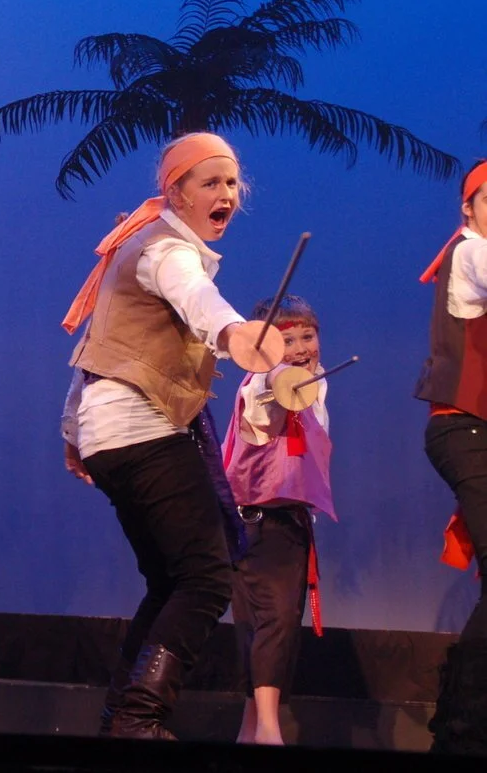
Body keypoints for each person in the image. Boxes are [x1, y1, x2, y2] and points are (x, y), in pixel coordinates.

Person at [60, 131, 280, 739]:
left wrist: (73, 430)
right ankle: (138, 719)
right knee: (206, 578)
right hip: (141, 427)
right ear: (177, 192)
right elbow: (199, 298)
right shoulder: (165, 250)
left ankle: (121, 718)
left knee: (171, 581)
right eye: (210, 183)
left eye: (231, 183)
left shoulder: (139, 243)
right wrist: (234, 333)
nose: (226, 194)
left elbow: (97, 343)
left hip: (112, 435)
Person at [220, 295, 336, 745]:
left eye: (308, 336)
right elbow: (271, 393)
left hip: (286, 524)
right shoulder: (259, 387)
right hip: (258, 524)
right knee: (274, 622)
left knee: (265, 626)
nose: (302, 348)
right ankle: (270, 732)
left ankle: (250, 729)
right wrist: (272, 371)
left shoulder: (315, 389)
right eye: (288, 340)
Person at [416, 158, 487, 755]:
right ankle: (461, 725)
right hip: (463, 428)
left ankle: (466, 722)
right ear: (468, 208)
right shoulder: (470, 252)